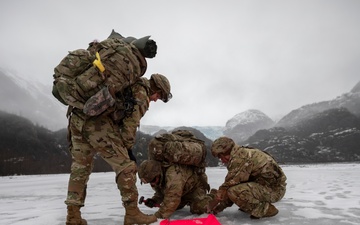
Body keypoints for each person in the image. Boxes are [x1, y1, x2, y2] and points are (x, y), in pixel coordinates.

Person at [64, 30, 172, 225]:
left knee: (80, 168)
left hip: (77, 116)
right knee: (126, 167)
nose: (155, 100)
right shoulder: (141, 93)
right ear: (156, 90)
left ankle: (73, 216)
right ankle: (132, 214)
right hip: (96, 123)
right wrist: (126, 149)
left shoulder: (131, 83)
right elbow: (129, 127)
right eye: (158, 97)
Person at [207, 137, 287, 219]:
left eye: (221, 157)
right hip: (268, 187)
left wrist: (213, 205)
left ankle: (265, 209)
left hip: (274, 191)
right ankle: (252, 204)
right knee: (234, 189)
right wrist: (220, 207)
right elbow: (233, 184)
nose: (222, 161)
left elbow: (227, 187)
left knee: (234, 191)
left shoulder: (239, 159)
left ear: (226, 151)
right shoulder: (241, 153)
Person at [138, 159, 212, 219]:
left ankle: (213, 195)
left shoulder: (173, 175)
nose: (152, 184)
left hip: (195, 188)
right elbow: (161, 192)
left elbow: (172, 200)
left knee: (198, 208)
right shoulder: (158, 177)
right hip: (181, 192)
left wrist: (155, 218)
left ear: (158, 173)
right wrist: (154, 200)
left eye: (153, 180)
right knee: (172, 207)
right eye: (149, 182)